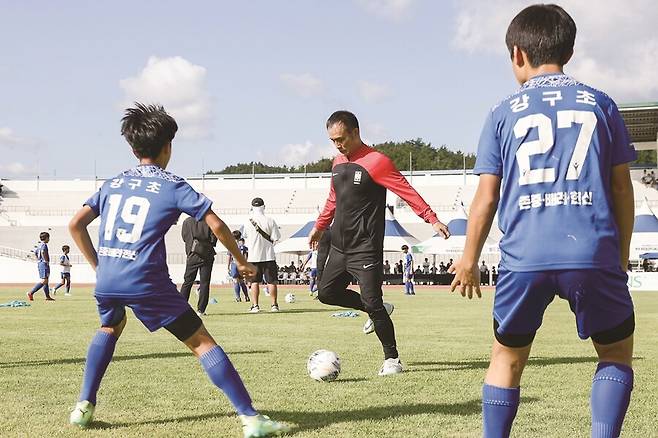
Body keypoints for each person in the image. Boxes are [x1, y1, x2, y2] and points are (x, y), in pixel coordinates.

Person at [448, 6, 636, 437]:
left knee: (506, 358)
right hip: (591, 250)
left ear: (517, 54)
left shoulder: (501, 111)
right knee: (614, 354)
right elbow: (623, 189)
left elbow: (487, 196)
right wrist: (620, 254)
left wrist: (469, 258)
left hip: (524, 254)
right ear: (569, 49)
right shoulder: (601, 103)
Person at [66, 103, 288, 437]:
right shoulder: (173, 185)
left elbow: (75, 224)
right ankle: (252, 419)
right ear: (168, 146)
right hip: (145, 280)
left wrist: (100, 267)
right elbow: (216, 224)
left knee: (110, 326)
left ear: (132, 147)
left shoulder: (113, 183)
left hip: (109, 279)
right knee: (201, 341)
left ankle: (83, 405)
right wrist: (241, 261)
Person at [309, 110, 450, 376]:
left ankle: (392, 360)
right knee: (326, 293)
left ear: (355, 132)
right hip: (339, 246)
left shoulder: (377, 162)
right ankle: (377, 309)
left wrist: (432, 219)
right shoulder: (337, 162)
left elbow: (406, 191)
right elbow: (332, 198)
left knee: (373, 303)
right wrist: (319, 227)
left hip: (365, 247)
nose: (338, 144)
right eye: (332, 140)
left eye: (341, 138)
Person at [243, 197, 282, 313]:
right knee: (272, 281)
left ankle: (255, 306)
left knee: (254, 282)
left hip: (253, 256)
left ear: (252, 207)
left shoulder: (247, 221)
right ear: (264, 207)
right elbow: (276, 237)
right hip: (268, 255)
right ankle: (274, 305)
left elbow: (245, 236)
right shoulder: (270, 220)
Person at [180, 216, 217, 316]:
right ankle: (201, 309)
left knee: (187, 282)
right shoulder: (208, 221)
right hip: (207, 254)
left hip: (192, 254)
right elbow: (213, 239)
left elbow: (184, 237)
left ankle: (181, 307)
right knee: (204, 283)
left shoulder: (187, 221)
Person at [27, 231, 55, 301]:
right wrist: (46, 261)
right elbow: (43, 252)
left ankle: (47, 296)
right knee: (44, 281)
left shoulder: (39, 245)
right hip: (44, 263)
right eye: (48, 238)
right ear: (46, 238)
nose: (49, 239)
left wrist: (38, 260)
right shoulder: (44, 245)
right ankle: (31, 292)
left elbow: (36, 253)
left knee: (46, 280)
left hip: (40, 263)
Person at [228, 232, 251, 302]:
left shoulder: (231, 246)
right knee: (241, 281)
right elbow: (246, 257)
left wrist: (228, 266)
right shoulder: (244, 247)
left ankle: (238, 298)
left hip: (235, 264)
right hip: (242, 265)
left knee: (235, 281)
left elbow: (229, 256)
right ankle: (246, 296)